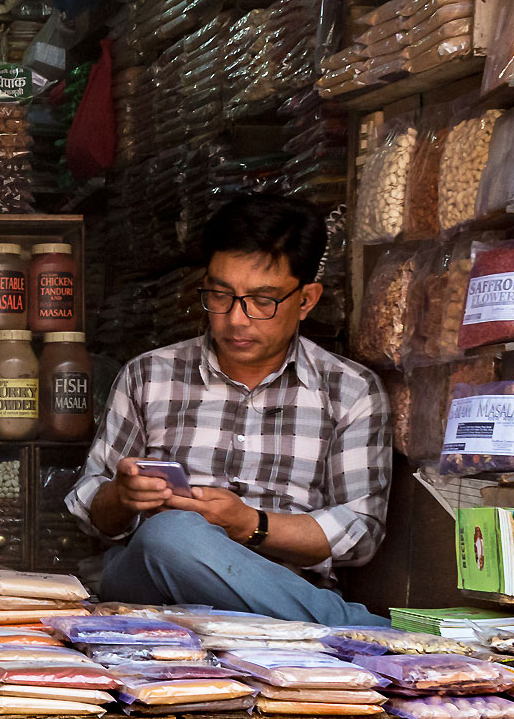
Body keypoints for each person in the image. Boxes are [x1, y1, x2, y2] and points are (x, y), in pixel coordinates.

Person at [65, 193, 391, 627]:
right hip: (149, 594)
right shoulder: (150, 375)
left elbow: (359, 532)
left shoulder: (350, 391)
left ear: (307, 299)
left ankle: (318, 619)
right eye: (220, 295)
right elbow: (91, 509)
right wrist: (122, 498)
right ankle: (359, 630)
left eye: (262, 300)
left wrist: (249, 525)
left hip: (280, 594)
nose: (236, 319)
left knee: (182, 535)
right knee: (171, 534)